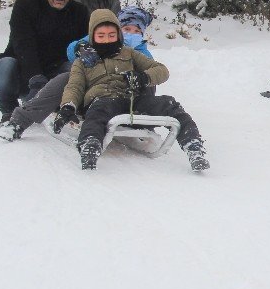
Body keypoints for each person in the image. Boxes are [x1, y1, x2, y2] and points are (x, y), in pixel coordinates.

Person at [55, 9, 208, 171]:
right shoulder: (82, 61)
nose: (107, 40)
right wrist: (68, 106)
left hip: (132, 99)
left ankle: (193, 145)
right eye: (101, 36)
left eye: (111, 35)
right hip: (103, 99)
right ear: (93, 36)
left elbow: (161, 70)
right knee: (96, 114)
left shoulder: (128, 53)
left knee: (169, 104)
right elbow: (75, 86)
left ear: (118, 35)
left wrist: (143, 77)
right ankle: (90, 145)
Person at [0, 7, 154, 141]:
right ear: (118, 29)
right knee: (66, 79)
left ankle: (142, 122)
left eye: (137, 31)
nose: (132, 34)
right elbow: (72, 49)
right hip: (91, 94)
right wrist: (80, 49)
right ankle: (19, 121)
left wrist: (141, 77)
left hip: (122, 97)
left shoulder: (141, 53)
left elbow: (154, 70)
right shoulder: (98, 38)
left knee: (149, 83)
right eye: (127, 29)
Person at [0, 0, 89, 125]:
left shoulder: (80, 12)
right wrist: (35, 78)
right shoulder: (24, 7)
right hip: (24, 70)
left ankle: (63, 107)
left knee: (75, 69)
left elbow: (83, 47)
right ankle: (9, 111)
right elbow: (23, 45)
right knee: (4, 66)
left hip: (57, 74)